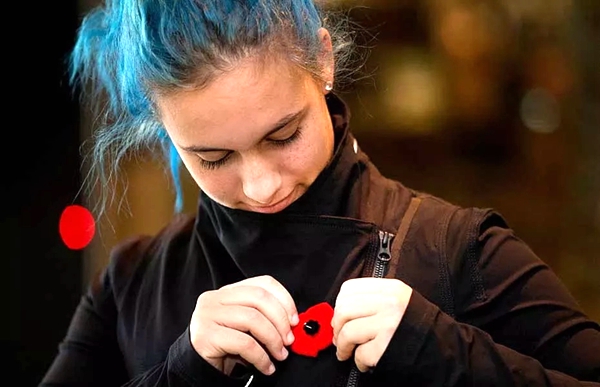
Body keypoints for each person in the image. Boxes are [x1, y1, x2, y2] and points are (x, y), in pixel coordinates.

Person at [41, 0, 600, 386]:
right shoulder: (131, 281)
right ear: (165, 130)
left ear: (324, 60)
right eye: (212, 157)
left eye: (283, 135)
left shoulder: (459, 251)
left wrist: (443, 353)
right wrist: (182, 373)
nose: (262, 186)